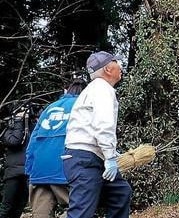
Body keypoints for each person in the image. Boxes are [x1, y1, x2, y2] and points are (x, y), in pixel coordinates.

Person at [63, 51, 132, 218]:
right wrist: (109, 157)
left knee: (121, 193)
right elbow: (103, 125)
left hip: (90, 156)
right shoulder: (102, 89)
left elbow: (89, 127)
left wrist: (111, 154)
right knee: (82, 212)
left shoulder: (93, 90)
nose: (121, 67)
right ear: (108, 69)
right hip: (85, 160)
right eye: (117, 63)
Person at [25, 78, 87, 218]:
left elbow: (33, 140)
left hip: (39, 170)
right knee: (79, 211)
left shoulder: (50, 108)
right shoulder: (83, 105)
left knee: (40, 215)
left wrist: (30, 172)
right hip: (64, 168)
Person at [0, 103, 35, 218]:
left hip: (27, 171)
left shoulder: (33, 126)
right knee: (7, 207)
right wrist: (18, 121)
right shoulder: (8, 128)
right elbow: (15, 141)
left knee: (20, 206)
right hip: (13, 173)